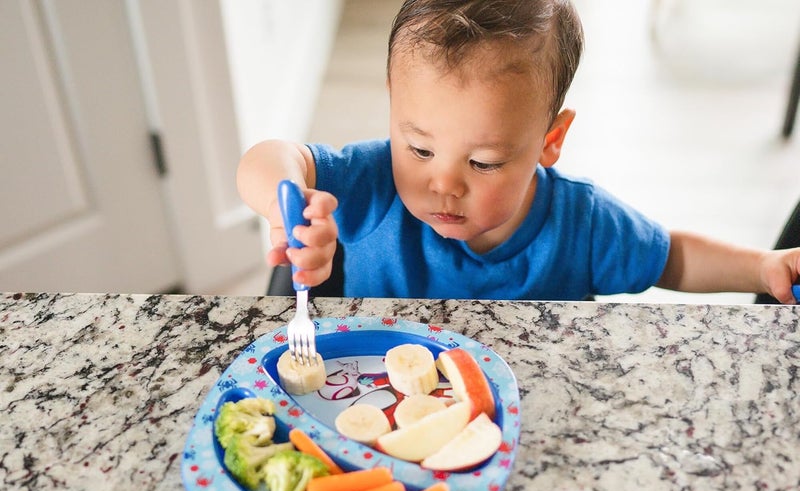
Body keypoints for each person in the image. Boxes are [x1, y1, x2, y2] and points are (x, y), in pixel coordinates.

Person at [236, 0, 800, 303]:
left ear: (549, 142)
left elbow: (670, 258)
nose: (445, 184)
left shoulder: (582, 224)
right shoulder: (371, 181)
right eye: (420, 147)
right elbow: (268, 156)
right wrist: (288, 201)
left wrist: (763, 266)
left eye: (483, 162)